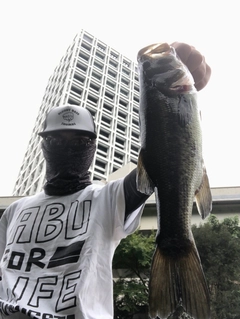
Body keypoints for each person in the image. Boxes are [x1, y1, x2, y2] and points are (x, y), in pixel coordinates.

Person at [0, 42, 211, 319]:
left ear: (92, 145)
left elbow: (164, 164)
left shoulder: (107, 198)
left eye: (79, 141)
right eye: (56, 140)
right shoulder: (13, 211)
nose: (67, 146)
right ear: (44, 144)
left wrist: (181, 64)